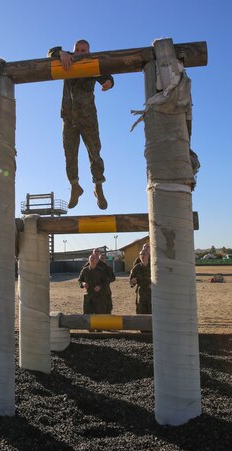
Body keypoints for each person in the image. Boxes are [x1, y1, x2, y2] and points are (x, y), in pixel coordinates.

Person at [47, 39, 114, 210]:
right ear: (73, 51)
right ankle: (75, 186)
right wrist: (60, 53)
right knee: (70, 155)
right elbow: (50, 53)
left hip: (88, 118)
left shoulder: (92, 63)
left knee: (94, 153)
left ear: (89, 52)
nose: (81, 53)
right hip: (68, 118)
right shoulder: (66, 59)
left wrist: (109, 83)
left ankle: (98, 187)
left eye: (84, 50)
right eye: (78, 50)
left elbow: (106, 75)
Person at [129, 250, 152, 314]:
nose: (142, 256)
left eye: (144, 254)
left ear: (148, 255)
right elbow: (131, 282)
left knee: (152, 314)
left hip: (151, 294)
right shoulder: (136, 268)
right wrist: (133, 282)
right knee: (140, 314)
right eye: (141, 254)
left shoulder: (153, 267)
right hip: (141, 295)